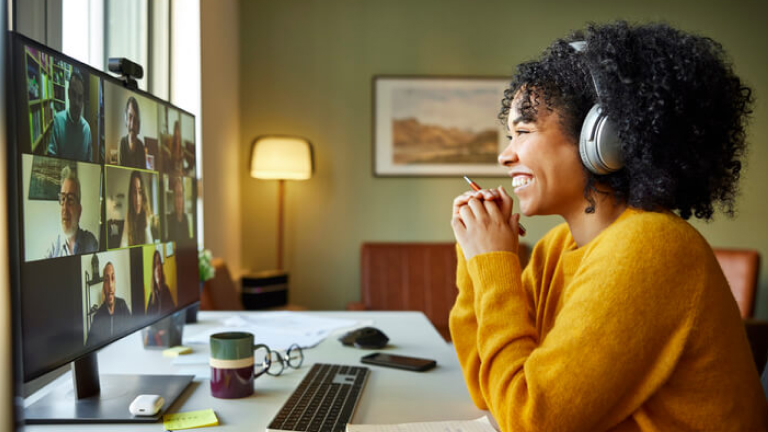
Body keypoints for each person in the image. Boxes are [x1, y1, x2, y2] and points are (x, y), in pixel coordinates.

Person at [449, 21, 768, 430]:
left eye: (523, 132)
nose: (504, 156)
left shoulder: (650, 246)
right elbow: (488, 387)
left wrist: (494, 262)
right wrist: (477, 260)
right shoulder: (556, 247)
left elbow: (531, 419)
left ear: (603, 139)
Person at [45, 165, 98, 258]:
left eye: (70, 199)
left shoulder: (91, 242)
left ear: (79, 210)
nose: (64, 208)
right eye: (62, 199)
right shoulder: (52, 247)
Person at [47, 69, 92, 161]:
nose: (76, 102)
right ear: (68, 94)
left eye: (80, 97)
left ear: (83, 99)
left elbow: (89, 162)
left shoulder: (87, 129)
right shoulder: (58, 121)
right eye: (73, 95)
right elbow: (51, 157)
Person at [87, 262, 131, 345]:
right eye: (106, 280)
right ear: (103, 285)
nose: (110, 285)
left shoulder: (122, 305)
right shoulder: (97, 317)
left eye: (113, 278)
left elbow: (132, 333)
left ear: (115, 283)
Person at [120, 170, 154, 247]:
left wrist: (147, 227)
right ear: (131, 195)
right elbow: (124, 241)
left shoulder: (150, 217)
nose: (137, 199)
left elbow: (152, 249)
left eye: (140, 192)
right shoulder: (129, 214)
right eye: (134, 192)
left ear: (144, 194)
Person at [118, 96, 147, 169]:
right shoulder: (122, 143)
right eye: (130, 117)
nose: (132, 124)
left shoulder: (141, 146)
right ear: (126, 119)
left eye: (135, 119)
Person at [146, 250, 175, 315]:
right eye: (155, 264)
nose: (157, 268)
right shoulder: (152, 295)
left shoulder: (166, 289)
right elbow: (147, 316)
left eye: (159, 263)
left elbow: (173, 311)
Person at [166, 177, 190, 243]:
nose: (179, 200)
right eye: (177, 195)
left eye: (181, 195)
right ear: (173, 197)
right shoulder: (170, 220)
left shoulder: (185, 218)